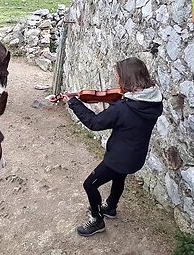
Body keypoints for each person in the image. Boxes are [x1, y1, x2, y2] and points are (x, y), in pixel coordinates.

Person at [63, 57, 163, 237]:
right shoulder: (154, 101)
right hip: (136, 156)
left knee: (89, 185)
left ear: (127, 79)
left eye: (119, 78)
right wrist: (116, 103)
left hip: (118, 157)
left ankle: (96, 220)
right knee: (119, 178)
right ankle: (110, 207)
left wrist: (73, 102)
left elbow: (94, 122)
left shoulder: (123, 109)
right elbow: (131, 118)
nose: (117, 82)